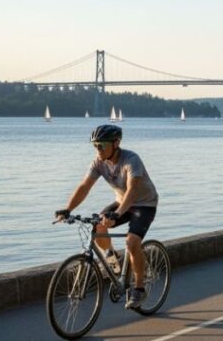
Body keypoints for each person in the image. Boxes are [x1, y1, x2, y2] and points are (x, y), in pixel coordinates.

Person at [54, 125, 158, 310]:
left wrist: (117, 214)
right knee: (99, 226)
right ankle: (113, 259)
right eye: (95, 145)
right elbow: (85, 186)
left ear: (115, 143)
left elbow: (132, 190)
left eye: (101, 145)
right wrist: (68, 209)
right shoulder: (98, 162)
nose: (98, 149)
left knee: (131, 242)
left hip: (144, 204)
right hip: (121, 202)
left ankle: (139, 289)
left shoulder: (131, 160)